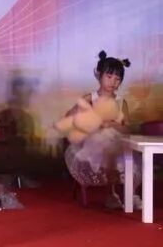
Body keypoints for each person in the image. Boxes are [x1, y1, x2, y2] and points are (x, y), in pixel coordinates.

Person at [56, 50, 133, 203]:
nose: (113, 82)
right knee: (102, 141)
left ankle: (130, 195)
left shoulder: (120, 102)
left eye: (117, 79)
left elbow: (126, 128)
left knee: (122, 149)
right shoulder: (90, 98)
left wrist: (110, 124)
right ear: (99, 75)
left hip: (116, 141)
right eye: (109, 77)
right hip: (93, 142)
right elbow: (70, 117)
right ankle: (111, 193)